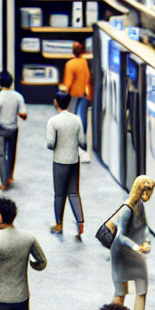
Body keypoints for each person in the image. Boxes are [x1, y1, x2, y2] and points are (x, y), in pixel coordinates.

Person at [107, 175, 155, 310]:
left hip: (136, 252)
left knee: (142, 289)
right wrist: (137, 247)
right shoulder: (127, 209)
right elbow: (120, 237)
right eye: (146, 191)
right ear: (139, 190)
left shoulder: (140, 206)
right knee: (121, 293)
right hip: (121, 253)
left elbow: (145, 227)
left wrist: (147, 242)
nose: (148, 195)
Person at [47, 90, 87, 236]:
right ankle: (80, 222)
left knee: (59, 194)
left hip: (59, 161)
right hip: (74, 160)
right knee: (74, 193)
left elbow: (50, 143)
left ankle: (59, 225)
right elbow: (82, 141)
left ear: (55, 102)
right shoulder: (76, 120)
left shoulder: (53, 121)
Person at [0, 69, 27, 190]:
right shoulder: (18, 96)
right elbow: (24, 115)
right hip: (13, 128)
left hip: (0, 129)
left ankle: (3, 182)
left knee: (0, 155)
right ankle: (10, 177)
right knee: (12, 153)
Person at [63, 41, 92, 138]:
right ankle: (82, 136)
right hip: (85, 91)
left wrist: (65, 90)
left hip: (74, 92)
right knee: (82, 114)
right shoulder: (85, 62)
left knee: (72, 112)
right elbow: (88, 76)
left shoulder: (70, 64)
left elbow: (68, 81)